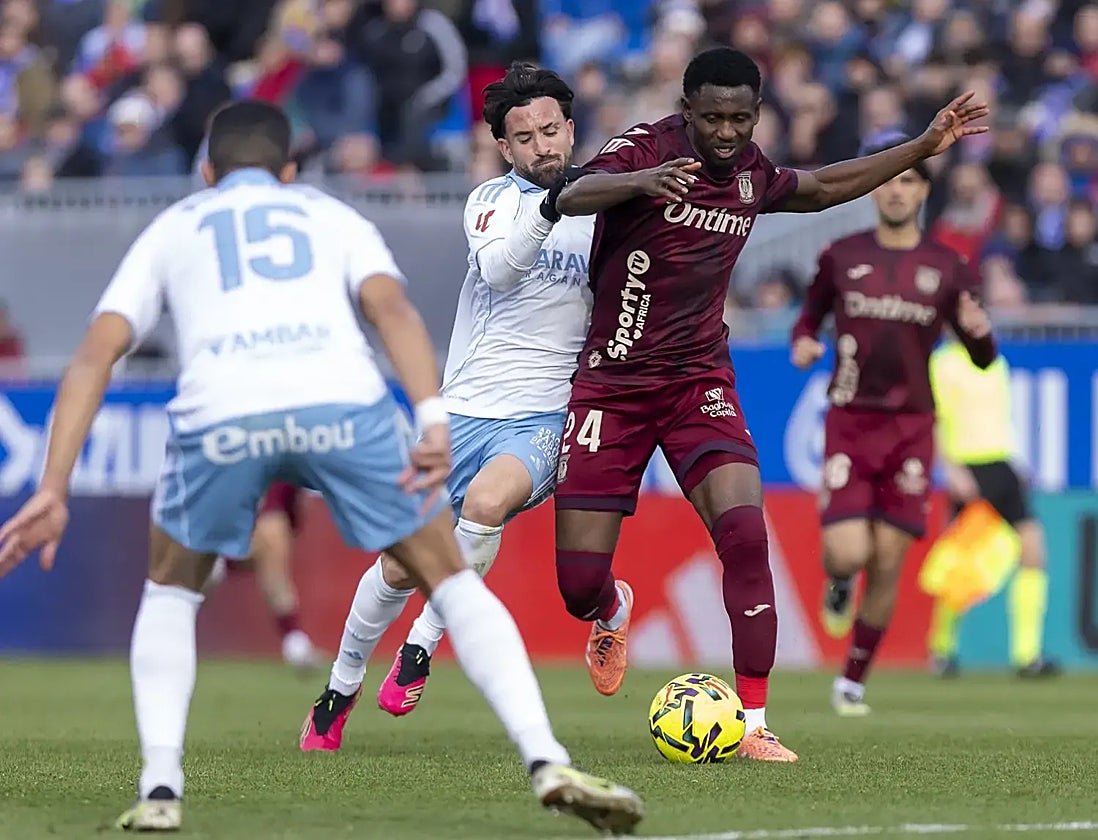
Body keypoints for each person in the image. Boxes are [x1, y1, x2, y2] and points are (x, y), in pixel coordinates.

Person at [0, 100, 643, 835]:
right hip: (341, 406)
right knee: (451, 579)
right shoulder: (329, 216)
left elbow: (95, 354)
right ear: (291, 170)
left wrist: (53, 486)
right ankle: (544, 759)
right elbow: (393, 313)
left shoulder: (174, 227)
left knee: (172, 595)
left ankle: (160, 789)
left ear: (206, 173)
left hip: (224, 412)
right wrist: (430, 420)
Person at [548, 46, 988, 760]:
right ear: (685, 110)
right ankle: (609, 609)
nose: (727, 133)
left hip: (699, 383)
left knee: (747, 537)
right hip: (613, 387)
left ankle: (753, 725)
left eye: (741, 119)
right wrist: (640, 185)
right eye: (713, 118)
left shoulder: (751, 173)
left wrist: (921, 145)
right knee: (577, 582)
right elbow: (569, 195)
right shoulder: (642, 150)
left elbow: (821, 188)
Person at [301, 62, 594, 741]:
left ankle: (422, 646)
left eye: (552, 131)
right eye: (526, 137)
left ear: (572, 130)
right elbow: (501, 268)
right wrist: (552, 208)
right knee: (400, 563)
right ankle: (340, 687)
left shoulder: (603, 214)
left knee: (489, 505)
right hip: (463, 411)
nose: (542, 146)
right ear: (503, 147)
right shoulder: (490, 201)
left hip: (544, 415)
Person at [791, 134, 996, 717]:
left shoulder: (946, 266)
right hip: (850, 422)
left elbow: (982, 356)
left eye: (909, 180)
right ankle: (837, 583)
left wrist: (980, 330)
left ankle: (853, 679)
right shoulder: (842, 256)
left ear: (924, 192)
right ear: (875, 189)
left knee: (889, 559)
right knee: (849, 553)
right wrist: (804, 341)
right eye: (890, 179)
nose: (898, 189)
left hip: (911, 428)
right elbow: (808, 319)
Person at [927, 335, 1061, 678]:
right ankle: (941, 649)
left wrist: (1017, 463)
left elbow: (1001, 418)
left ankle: (1026, 655)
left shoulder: (995, 361)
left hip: (1002, 464)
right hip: (969, 466)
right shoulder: (943, 363)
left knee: (1033, 549)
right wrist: (951, 469)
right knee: (960, 560)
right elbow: (936, 420)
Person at [205, 482, 326, 671]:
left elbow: (287, 507)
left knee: (273, 530)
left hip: (261, 520)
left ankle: (294, 639)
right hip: (213, 516)